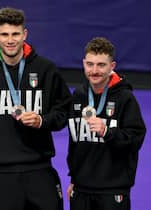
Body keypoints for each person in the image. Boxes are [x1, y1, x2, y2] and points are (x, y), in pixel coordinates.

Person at [0, 7, 71, 210]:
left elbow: (65, 111)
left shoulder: (45, 69)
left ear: (25, 34)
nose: (10, 40)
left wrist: (42, 120)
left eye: (15, 34)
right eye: (5, 34)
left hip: (39, 168)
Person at [66, 37, 146, 210]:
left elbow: (135, 139)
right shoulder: (79, 96)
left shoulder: (125, 98)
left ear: (112, 66)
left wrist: (107, 131)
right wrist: (74, 179)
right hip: (81, 189)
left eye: (101, 65)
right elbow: (75, 141)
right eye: (90, 64)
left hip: (112, 190)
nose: (94, 71)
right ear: (83, 64)